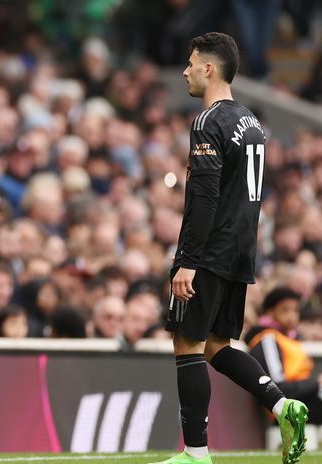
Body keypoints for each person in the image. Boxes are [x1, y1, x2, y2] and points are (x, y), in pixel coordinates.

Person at [158, 32, 306, 464]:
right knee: (217, 346)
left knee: (187, 346)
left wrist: (186, 261)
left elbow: (203, 198)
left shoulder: (209, 122)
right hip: (241, 250)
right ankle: (283, 405)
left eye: (190, 63)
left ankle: (196, 454)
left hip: (209, 251)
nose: (184, 70)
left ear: (209, 68)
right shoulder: (252, 122)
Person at [246, 288, 322, 424]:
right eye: (285, 310)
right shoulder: (267, 338)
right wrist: (316, 383)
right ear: (270, 312)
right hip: (285, 407)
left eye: (295, 311)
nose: (292, 316)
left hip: (304, 399)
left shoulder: (291, 340)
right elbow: (277, 387)